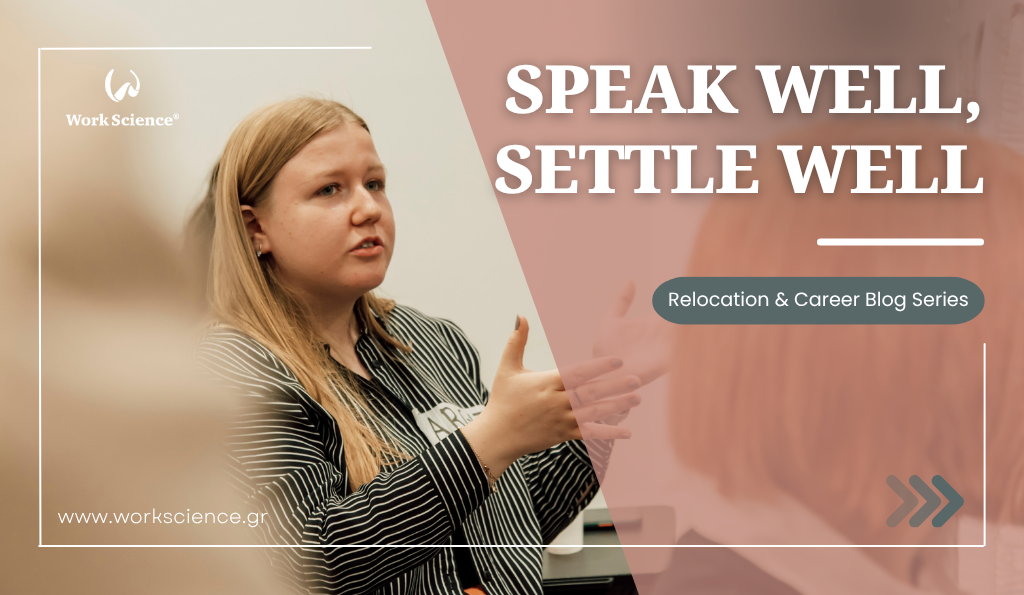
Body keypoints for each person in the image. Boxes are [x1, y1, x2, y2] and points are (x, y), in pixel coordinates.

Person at [185, 97, 643, 595]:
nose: (368, 209)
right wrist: (491, 440)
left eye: (375, 184)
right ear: (256, 229)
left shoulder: (434, 341)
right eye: (329, 190)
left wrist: (602, 399)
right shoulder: (230, 372)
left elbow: (516, 526)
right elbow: (307, 561)